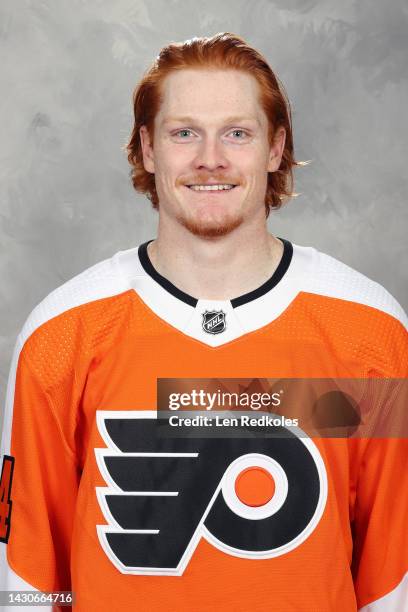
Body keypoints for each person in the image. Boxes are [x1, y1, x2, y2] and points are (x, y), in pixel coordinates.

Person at [0, 32, 407, 612]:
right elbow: (31, 582)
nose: (209, 158)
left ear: (275, 148)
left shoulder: (371, 333)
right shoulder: (61, 335)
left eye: (237, 133)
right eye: (183, 132)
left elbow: (393, 577)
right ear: (147, 148)